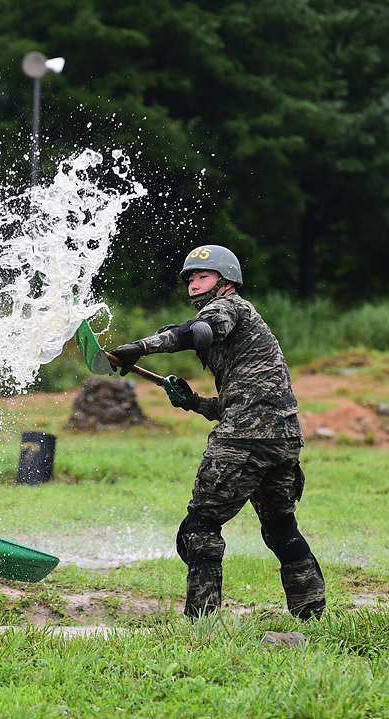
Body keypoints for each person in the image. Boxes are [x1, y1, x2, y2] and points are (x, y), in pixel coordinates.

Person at [108, 245, 325, 619]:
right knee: (280, 529)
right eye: (190, 278)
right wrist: (194, 401)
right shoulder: (244, 324)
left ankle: (201, 624)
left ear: (225, 282)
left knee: (199, 529)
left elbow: (199, 331)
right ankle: (314, 617)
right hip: (283, 438)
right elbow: (241, 399)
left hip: (244, 439)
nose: (193, 284)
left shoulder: (229, 308)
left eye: (202, 277)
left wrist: (139, 348)